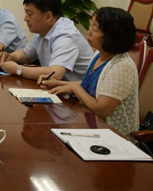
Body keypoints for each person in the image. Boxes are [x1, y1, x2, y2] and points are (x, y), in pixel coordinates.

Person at [38, 7, 139, 137]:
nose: (89, 32)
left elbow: (101, 110)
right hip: (93, 128)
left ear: (111, 37)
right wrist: (58, 83)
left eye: (95, 29)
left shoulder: (122, 66)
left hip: (115, 136)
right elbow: (91, 84)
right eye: (91, 26)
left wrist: (75, 89)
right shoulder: (99, 54)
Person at [0, 0, 93, 81]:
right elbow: (26, 54)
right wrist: (10, 56)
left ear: (48, 16)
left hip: (78, 91)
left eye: (29, 14)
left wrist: (18, 70)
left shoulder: (65, 35)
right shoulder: (43, 31)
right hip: (58, 87)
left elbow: (55, 74)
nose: (25, 19)